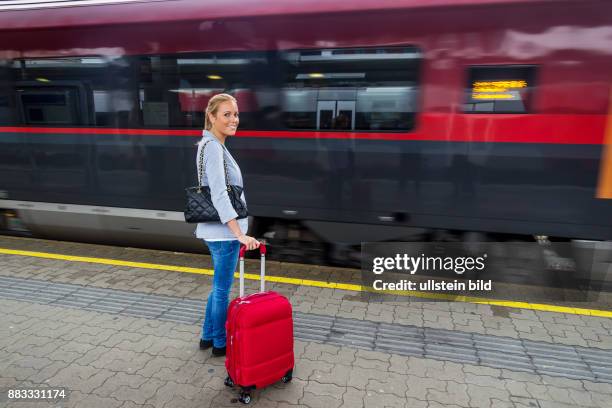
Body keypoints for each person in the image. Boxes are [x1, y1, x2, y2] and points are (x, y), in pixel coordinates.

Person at [196, 93, 260, 357]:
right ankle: (221, 344)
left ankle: (207, 336)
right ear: (211, 116)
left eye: (235, 114)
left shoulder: (211, 144)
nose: (234, 119)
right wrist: (239, 234)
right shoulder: (212, 147)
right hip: (223, 233)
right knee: (222, 289)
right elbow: (219, 194)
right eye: (227, 114)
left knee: (218, 287)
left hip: (217, 230)